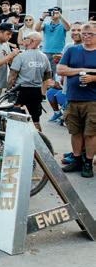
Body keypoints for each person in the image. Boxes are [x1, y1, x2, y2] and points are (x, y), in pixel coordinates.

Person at [57, 20, 96, 178]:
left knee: (91, 133)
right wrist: (83, 70)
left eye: (90, 34)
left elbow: (66, 70)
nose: (86, 36)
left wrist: (93, 78)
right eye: (84, 34)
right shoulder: (72, 50)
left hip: (93, 100)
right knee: (75, 132)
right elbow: (60, 69)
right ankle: (77, 159)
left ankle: (88, 163)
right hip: (73, 98)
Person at [8, 31, 52, 126]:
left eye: (25, 38)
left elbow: (12, 75)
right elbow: (47, 77)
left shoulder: (21, 56)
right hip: (37, 91)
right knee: (35, 120)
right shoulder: (44, 57)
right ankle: (38, 135)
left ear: (31, 41)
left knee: (16, 119)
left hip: (21, 91)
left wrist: (9, 89)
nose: (23, 40)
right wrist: (43, 93)